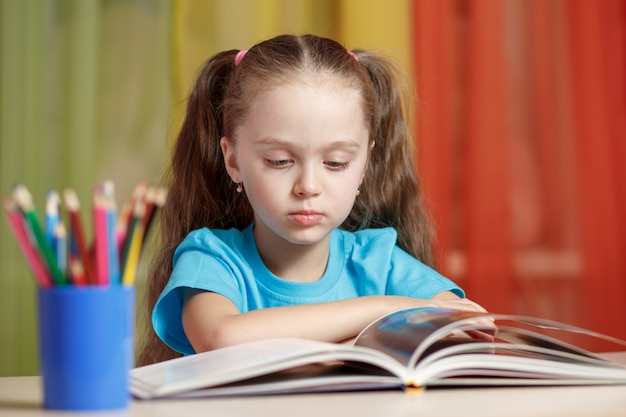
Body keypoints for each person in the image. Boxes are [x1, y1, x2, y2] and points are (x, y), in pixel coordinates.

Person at [137, 34, 485, 366]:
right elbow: (221, 338)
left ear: (365, 163)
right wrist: (388, 312)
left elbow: (463, 326)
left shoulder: (377, 259)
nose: (308, 186)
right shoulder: (211, 258)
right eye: (279, 161)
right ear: (233, 161)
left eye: (336, 163)